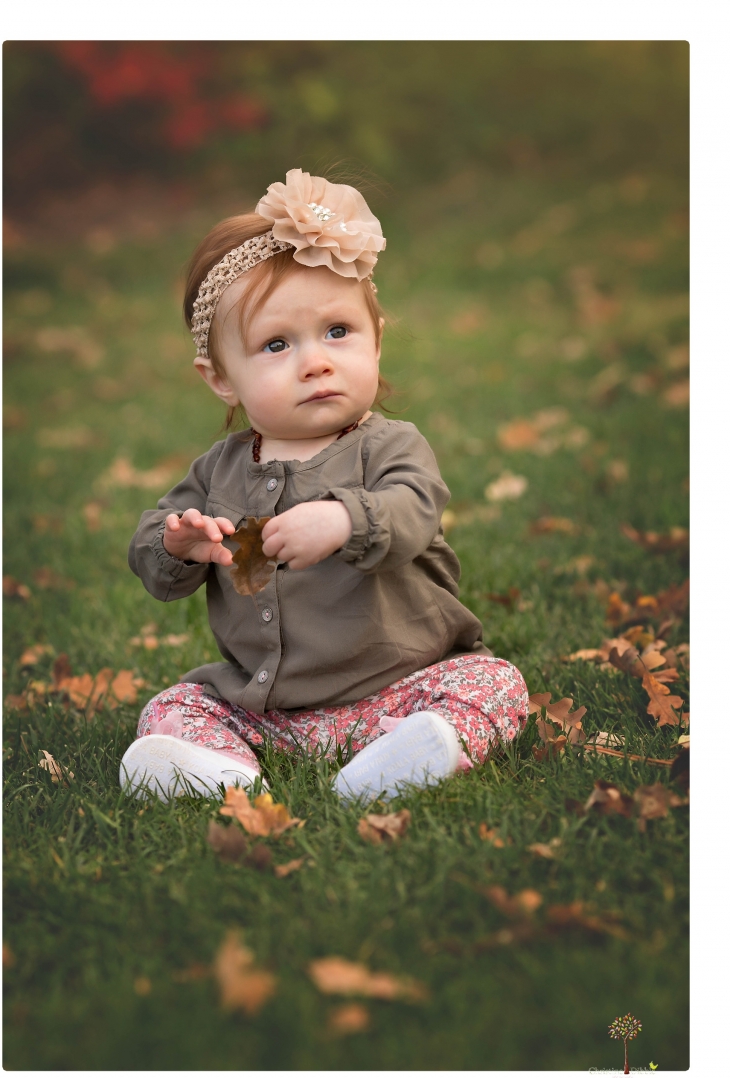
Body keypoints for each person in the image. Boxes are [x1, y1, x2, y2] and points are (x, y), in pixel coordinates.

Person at [122, 169, 528, 802]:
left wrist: (345, 520)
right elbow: (152, 548)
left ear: (376, 340)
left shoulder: (390, 446)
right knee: (175, 703)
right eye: (276, 344)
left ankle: (409, 753)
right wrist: (177, 545)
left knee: (494, 684)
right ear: (220, 378)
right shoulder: (217, 471)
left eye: (338, 332)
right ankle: (222, 772)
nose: (316, 361)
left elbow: (413, 509)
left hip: (400, 687)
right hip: (269, 706)